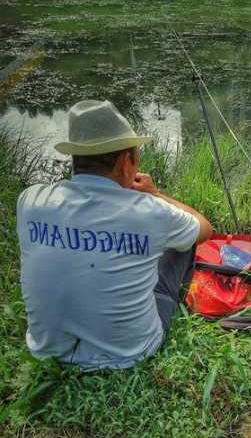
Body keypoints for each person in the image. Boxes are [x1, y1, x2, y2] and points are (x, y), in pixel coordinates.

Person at [17, 100, 212, 371]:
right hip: (128, 354)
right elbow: (204, 227)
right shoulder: (151, 212)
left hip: (49, 354)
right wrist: (156, 196)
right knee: (184, 244)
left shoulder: (31, 201)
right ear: (124, 163)